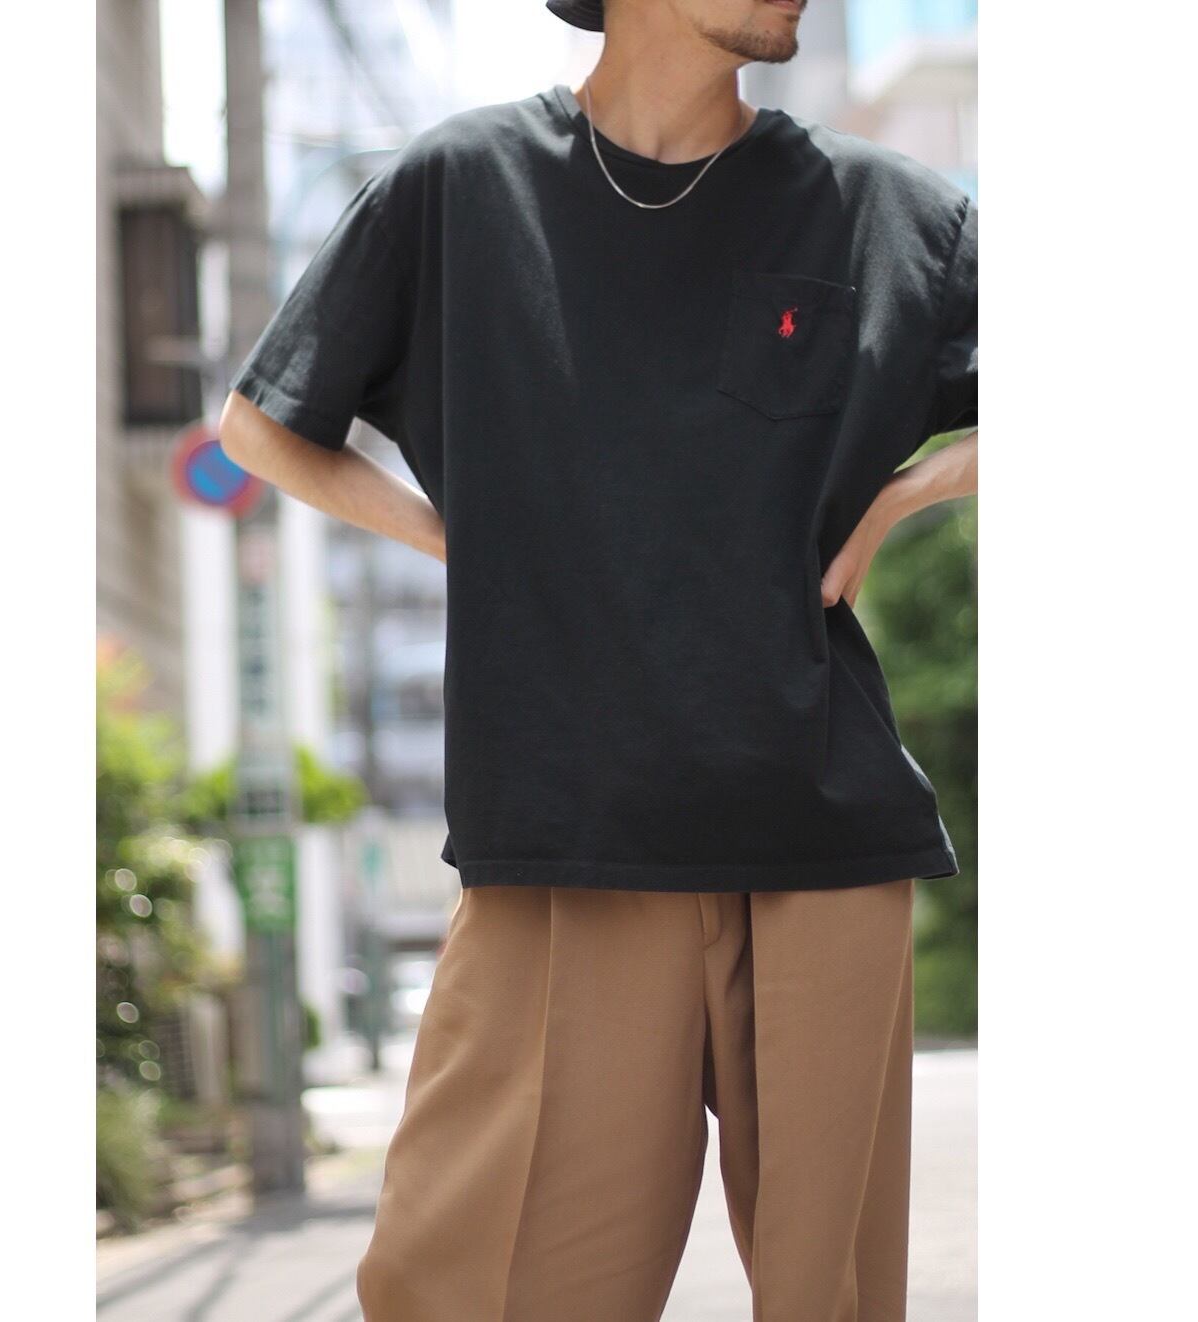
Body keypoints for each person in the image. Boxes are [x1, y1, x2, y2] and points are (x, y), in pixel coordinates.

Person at [220, 0, 977, 1316]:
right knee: (479, 1287)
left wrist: (904, 495)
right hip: (562, 838)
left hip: (821, 832)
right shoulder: (462, 188)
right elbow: (261, 423)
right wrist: (457, 536)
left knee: (834, 1301)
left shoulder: (886, 209)